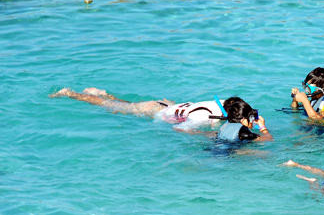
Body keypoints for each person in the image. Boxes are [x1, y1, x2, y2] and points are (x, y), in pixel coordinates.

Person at [50, 88, 272, 138]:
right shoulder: (203, 116)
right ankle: (71, 94)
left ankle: (100, 93)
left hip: (170, 106)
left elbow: (238, 112)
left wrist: (252, 120)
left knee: (127, 104)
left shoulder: (226, 104)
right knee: (115, 108)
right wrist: (207, 135)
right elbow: (180, 129)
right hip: (157, 110)